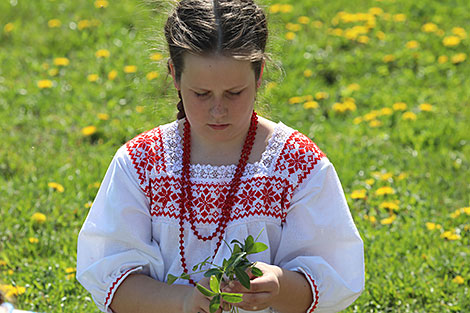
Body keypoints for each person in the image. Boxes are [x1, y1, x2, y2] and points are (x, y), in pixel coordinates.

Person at [76, 0, 365, 312]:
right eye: (201, 94)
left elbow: (334, 278)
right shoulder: (141, 163)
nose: (218, 110)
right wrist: (185, 301)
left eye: (234, 93)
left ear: (259, 74)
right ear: (174, 75)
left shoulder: (296, 164)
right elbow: (110, 278)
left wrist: (279, 286)